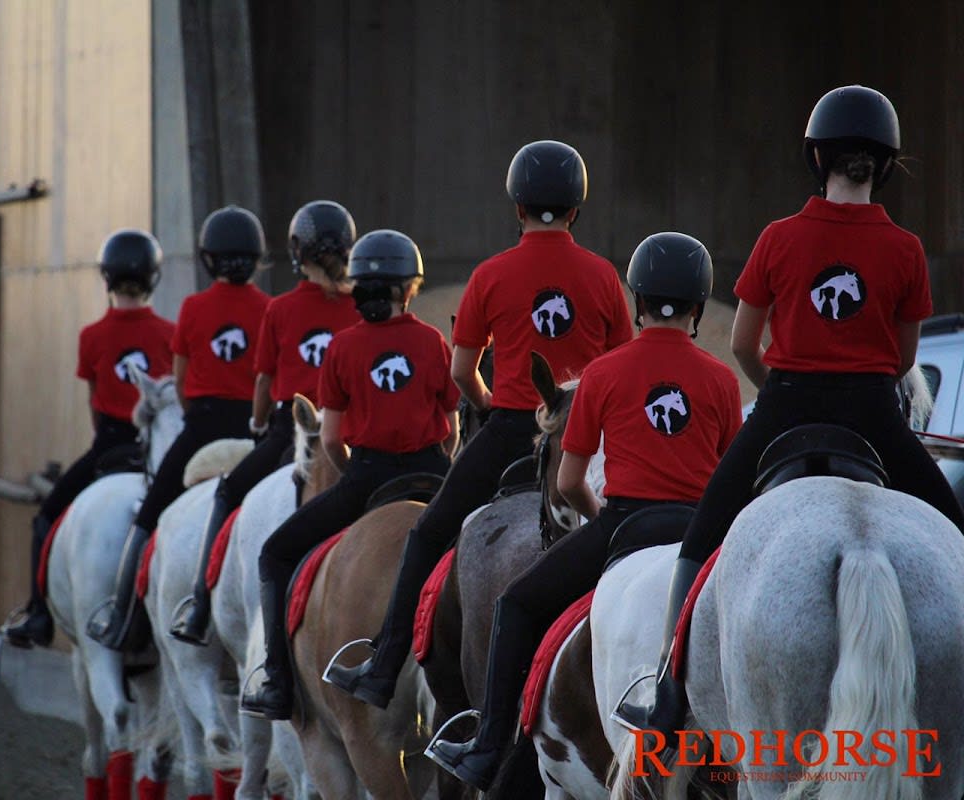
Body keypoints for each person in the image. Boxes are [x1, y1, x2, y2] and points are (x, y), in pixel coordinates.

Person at [615, 85, 964, 739]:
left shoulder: (778, 238)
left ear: (817, 159)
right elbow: (902, 356)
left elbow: (746, 342)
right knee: (954, 531)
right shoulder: (907, 250)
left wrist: (777, 388)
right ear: (883, 164)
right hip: (875, 416)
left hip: (785, 405)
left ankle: (665, 691)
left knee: (703, 531)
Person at [426, 232, 742, 789]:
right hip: (697, 535)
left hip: (625, 525)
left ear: (637, 302)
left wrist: (601, 518)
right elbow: (730, 485)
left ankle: (488, 744)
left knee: (516, 603)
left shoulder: (601, 374)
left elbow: (569, 482)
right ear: (699, 307)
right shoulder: (720, 380)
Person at [325, 140, 633, 708]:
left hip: (514, 428)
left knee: (427, 533)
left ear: (517, 208)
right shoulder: (604, 276)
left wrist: (491, 407)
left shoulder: (491, 275)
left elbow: (463, 372)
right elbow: (622, 368)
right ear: (576, 209)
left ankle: (384, 661)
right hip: (592, 438)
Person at [238, 229, 460, 720]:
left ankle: (276, 678)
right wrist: (440, 465)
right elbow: (451, 426)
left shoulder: (341, 347)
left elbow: (332, 439)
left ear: (358, 287)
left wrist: (355, 476)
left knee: (275, 554)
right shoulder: (432, 341)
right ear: (412, 288)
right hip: (433, 472)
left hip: (366, 477)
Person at [169, 200, 361, 645]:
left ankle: (199, 602)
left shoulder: (279, 308)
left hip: (286, 433)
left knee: (226, 491)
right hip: (346, 433)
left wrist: (257, 423)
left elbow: (263, 381)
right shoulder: (357, 308)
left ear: (298, 251)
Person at [87, 205, 271, 651]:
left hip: (202, 427)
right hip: (254, 428)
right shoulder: (269, 307)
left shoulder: (192, 307)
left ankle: (122, 617)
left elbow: (182, 382)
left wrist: (195, 415)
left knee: (148, 515)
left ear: (208, 259)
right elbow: (269, 376)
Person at [1, 229, 175, 649]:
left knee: (46, 518)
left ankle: (39, 614)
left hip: (109, 448)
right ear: (153, 277)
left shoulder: (91, 336)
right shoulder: (170, 332)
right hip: (159, 448)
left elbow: (94, 404)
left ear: (107, 278)